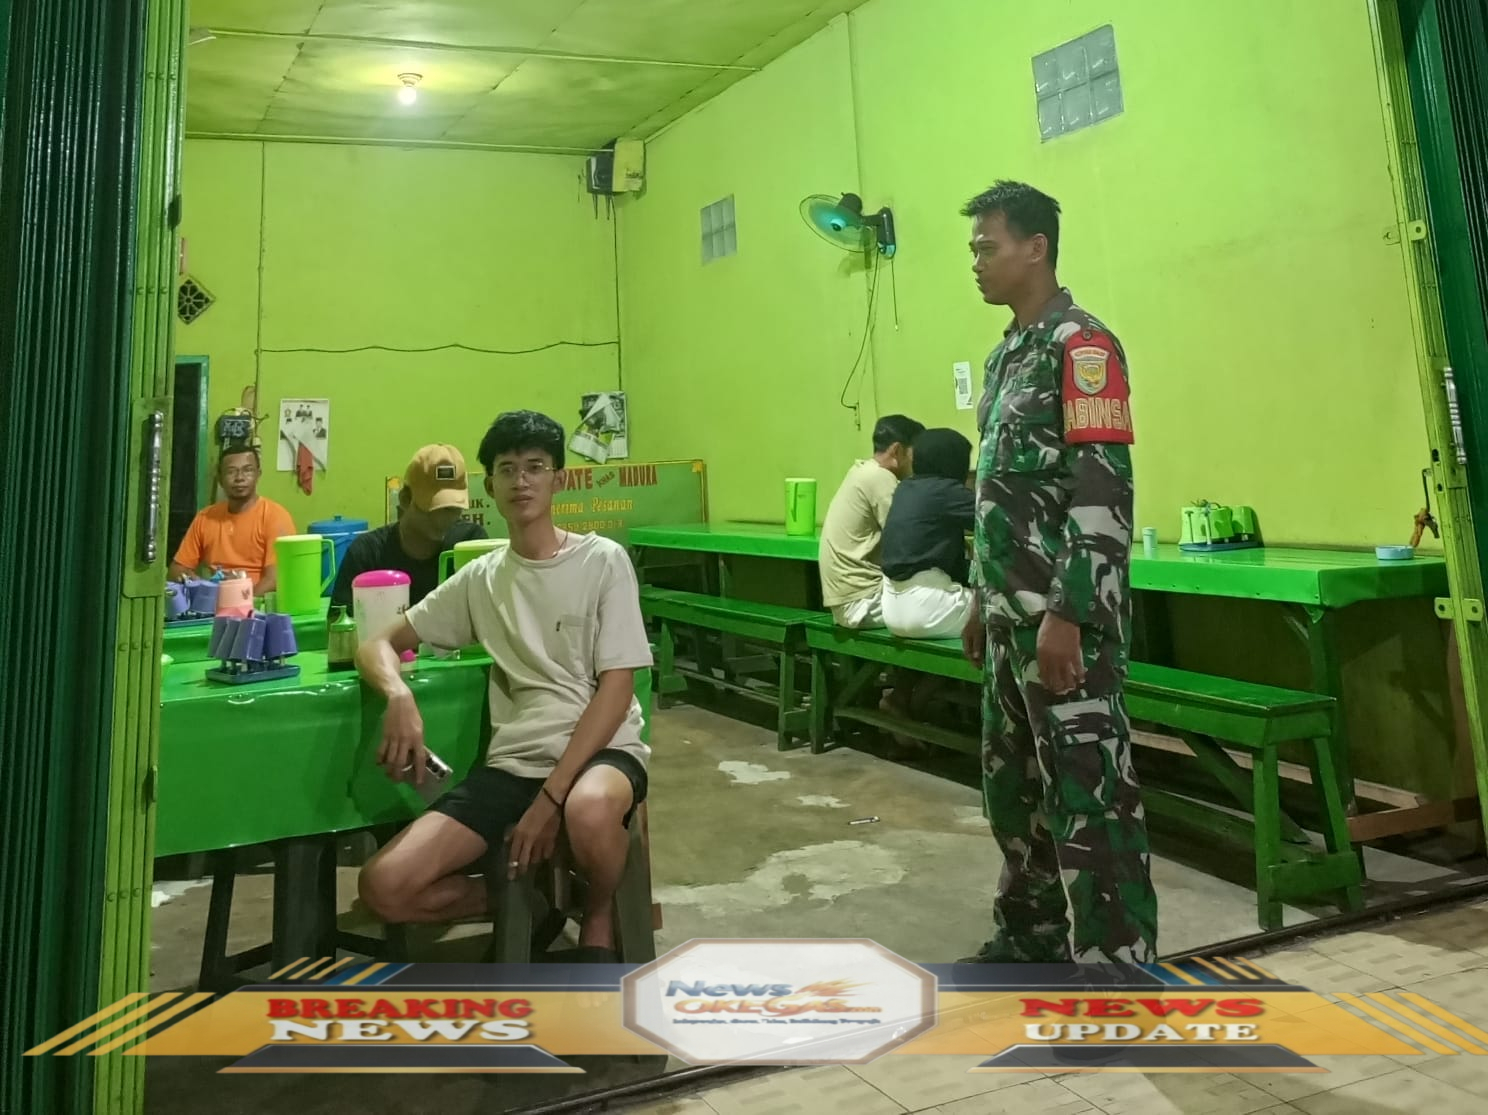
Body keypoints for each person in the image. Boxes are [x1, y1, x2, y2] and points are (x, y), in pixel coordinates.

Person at [355, 410, 653, 963]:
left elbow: (616, 688)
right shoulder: (481, 578)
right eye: (507, 469)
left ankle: (598, 912)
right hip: (515, 762)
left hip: (600, 753)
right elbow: (377, 643)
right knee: (384, 886)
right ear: (489, 487)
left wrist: (550, 799)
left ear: (558, 479)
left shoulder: (602, 561)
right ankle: (531, 902)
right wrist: (398, 695)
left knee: (588, 810)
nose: (521, 481)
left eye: (535, 467)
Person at [957, 180, 1157, 966]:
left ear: (1035, 247)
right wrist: (982, 598)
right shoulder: (1007, 354)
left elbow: (1103, 490)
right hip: (1010, 618)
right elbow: (999, 495)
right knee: (1012, 792)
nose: (976, 262)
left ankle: (1118, 961)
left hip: (1062, 623)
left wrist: (1069, 613)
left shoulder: (1084, 347)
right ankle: (1031, 932)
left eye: (987, 246)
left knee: (1089, 794)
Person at [331, 445, 486, 609]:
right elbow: (340, 621)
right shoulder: (367, 554)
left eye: (452, 508)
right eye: (435, 508)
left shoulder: (470, 545)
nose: (445, 519)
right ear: (405, 499)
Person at [818, 414, 924, 629]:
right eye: (917, 454)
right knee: (958, 606)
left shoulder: (861, 471)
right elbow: (910, 539)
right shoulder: (880, 478)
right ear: (897, 450)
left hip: (848, 601)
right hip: (864, 602)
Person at [880, 428, 976, 640]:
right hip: (932, 610)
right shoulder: (946, 490)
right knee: (1007, 611)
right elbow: (996, 521)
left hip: (891, 610)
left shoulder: (904, 488)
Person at [169, 443, 295, 593]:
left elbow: (275, 579)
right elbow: (176, 569)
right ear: (220, 479)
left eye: (247, 470)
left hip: (259, 602)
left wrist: (241, 601)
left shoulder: (275, 516)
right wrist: (192, 582)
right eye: (231, 472)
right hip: (214, 600)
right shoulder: (205, 517)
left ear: (258, 474)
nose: (239, 478)